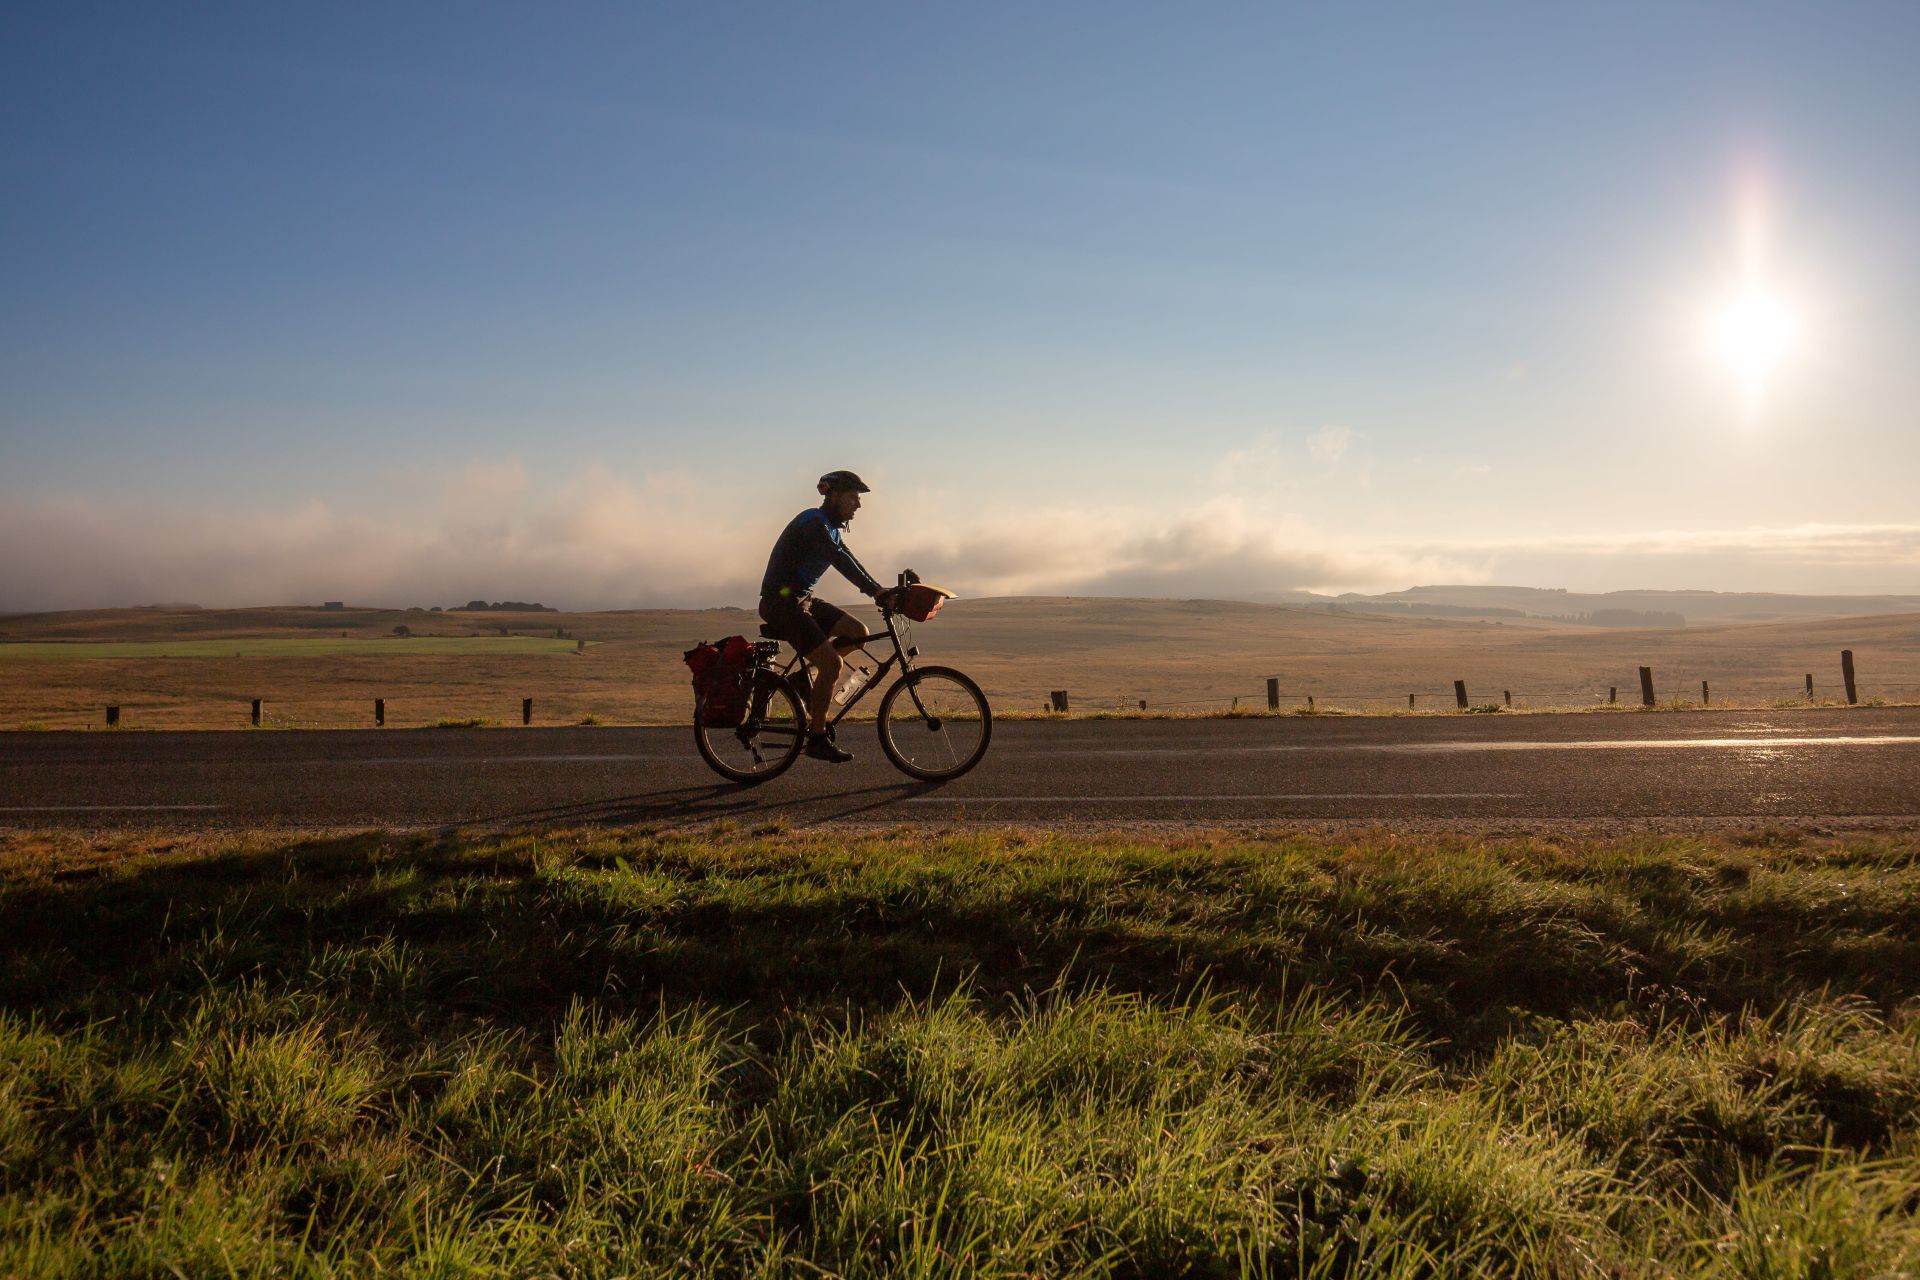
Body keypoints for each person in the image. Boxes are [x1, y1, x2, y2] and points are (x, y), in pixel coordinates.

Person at [760, 470, 902, 762]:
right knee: (833, 664)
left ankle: (801, 682)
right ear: (835, 496)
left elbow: (848, 558)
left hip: (801, 599)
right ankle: (817, 738)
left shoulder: (830, 527)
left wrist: (879, 589)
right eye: (853, 498)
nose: (858, 505)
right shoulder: (813, 523)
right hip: (782, 604)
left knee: (857, 632)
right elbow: (838, 561)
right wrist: (875, 593)